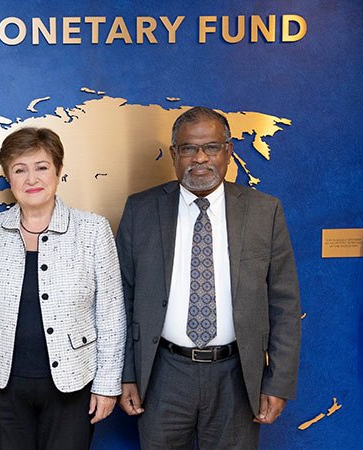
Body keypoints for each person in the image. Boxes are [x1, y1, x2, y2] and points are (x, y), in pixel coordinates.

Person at [117, 106, 301, 448]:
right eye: (188, 148)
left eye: (212, 147)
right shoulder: (141, 210)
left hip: (236, 376)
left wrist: (277, 382)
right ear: (174, 154)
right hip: (162, 375)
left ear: (228, 152)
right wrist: (127, 374)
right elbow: (122, 301)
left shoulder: (264, 212)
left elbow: (285, 305)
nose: (200, 158)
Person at [0, 127, 126, 449]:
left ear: (58, 171)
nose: (31, 179)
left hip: (74, 383)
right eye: (20, 170)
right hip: (2, 384)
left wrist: (106, 385)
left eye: (41, 167)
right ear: (9, 177)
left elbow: (111, 315)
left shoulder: (92, 230)